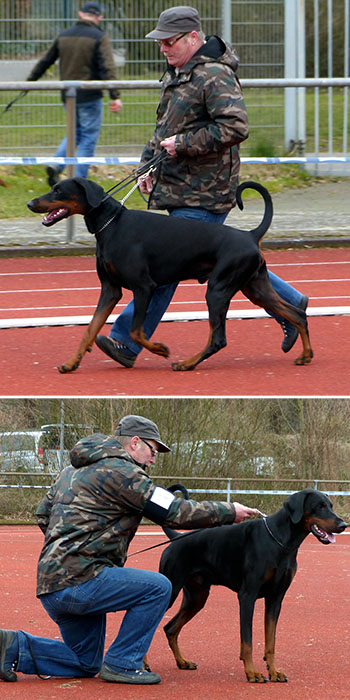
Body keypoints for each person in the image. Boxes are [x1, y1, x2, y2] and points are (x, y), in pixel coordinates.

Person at [95, 5, 308, 369]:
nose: (163, 48)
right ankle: (291, 304)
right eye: (160, 43)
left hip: (207, 192)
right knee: (232, 258)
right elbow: (163, 130)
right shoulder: (178, 72)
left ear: (193, 37)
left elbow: (235, 127)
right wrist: (147, 167)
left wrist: (183, 145)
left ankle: (126, 340)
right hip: (178, 187)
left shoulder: (214, 75)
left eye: (169, 42)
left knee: (164, 267)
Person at [0, 414, 259, 686]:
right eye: (153, 449)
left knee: (85, 662)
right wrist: (230, 511)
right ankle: (124, 663)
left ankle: (12, 646)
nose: (154, 457)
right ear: (135, 443)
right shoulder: (125, 473)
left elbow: (43, 515)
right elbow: (174, 511)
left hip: (51, 585)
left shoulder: (69, 471)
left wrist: (73, 548)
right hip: (82, 581)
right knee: (159, 587)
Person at [26, 1, 122, 184]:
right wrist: (115, 95)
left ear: (80, 14)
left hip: (67, 95)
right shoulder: (99, 37)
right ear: (99, 17)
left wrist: (29, 82)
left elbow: (45, 61)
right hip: (89, 95)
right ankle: (79, 180)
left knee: (74, 133)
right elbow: (107, 68)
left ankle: (57, 164)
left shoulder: (63, 35)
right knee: (88, 136)